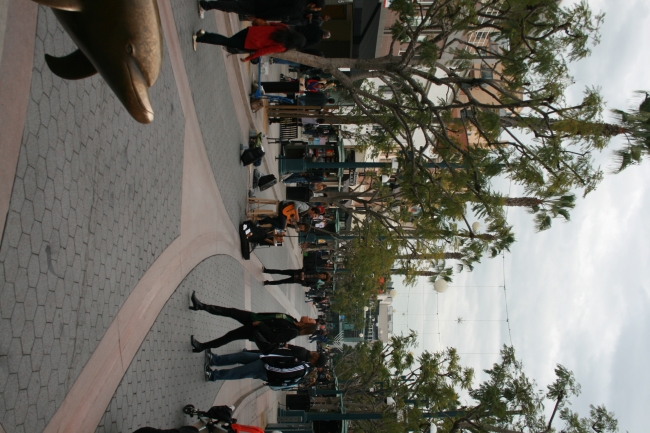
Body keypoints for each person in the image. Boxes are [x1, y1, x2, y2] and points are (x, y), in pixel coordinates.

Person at [188, 292, 318, 352]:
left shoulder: (293, 332)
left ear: (308, 325)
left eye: (310, 319)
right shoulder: (293, 320)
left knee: (229, 336)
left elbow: (273, 338)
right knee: (231, 312)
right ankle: (201, 306)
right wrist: (258, 318)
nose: (308, 316)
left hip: (255, 329)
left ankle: (202, 347)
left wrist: (260, 325)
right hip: (255, 318)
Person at [192, 23, 306, 62]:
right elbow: (263, 51)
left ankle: (204, 34)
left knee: (228, 39)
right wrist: (248, 59)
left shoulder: (284, 28)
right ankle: (199, 38)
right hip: (249, 43)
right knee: (225, 41)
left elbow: (271, 24)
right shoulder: (282, 46)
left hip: (250, 31)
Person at [204, 348, 327, 382]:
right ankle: (215, 360)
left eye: (317, 354)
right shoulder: (304, 359)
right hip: (265, 358)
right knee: (241, 356)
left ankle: (213, 376)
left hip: (265, 369)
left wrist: (267, 366)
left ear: (316, 359)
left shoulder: (303, 369)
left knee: (238, 372)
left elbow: (283, 372)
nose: (315, 352)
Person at [198, 0, 324, 22]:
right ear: (313, 4)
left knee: (235, 4)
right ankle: (206, 5)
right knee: (233, 7)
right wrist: (260, 17)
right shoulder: (297, 7)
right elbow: (277, 12)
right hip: (261, 7)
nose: (314, 10)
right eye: (316, 8)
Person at [263, 267, 331, 286]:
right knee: (281, 271)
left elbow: (306, 285)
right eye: (323, 275)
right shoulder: (314, 270)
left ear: (322, 279)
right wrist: (303, 271)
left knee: (282, 281)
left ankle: (268, 283)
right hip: (295, 272)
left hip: (296, 279)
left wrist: (302, 280)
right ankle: (266, 270)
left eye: (323, 277)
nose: (322, 276)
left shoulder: (315, 282)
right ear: (323, 273)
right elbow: (306, 267)